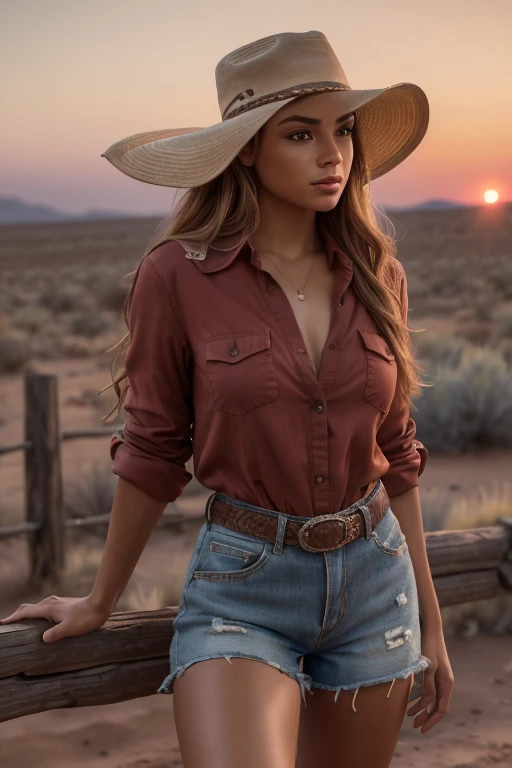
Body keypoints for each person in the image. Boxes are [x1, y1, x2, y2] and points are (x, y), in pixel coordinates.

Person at [0, 30, 454, 768]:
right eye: (301, 134)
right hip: (245, 588)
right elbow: (151, 449)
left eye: (342, 130)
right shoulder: (176, 276)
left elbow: (398, 456)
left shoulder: (378, 274)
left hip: (377, 581)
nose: (332, 154)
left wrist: (430, 625)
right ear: (247, 149)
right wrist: (99, 599)